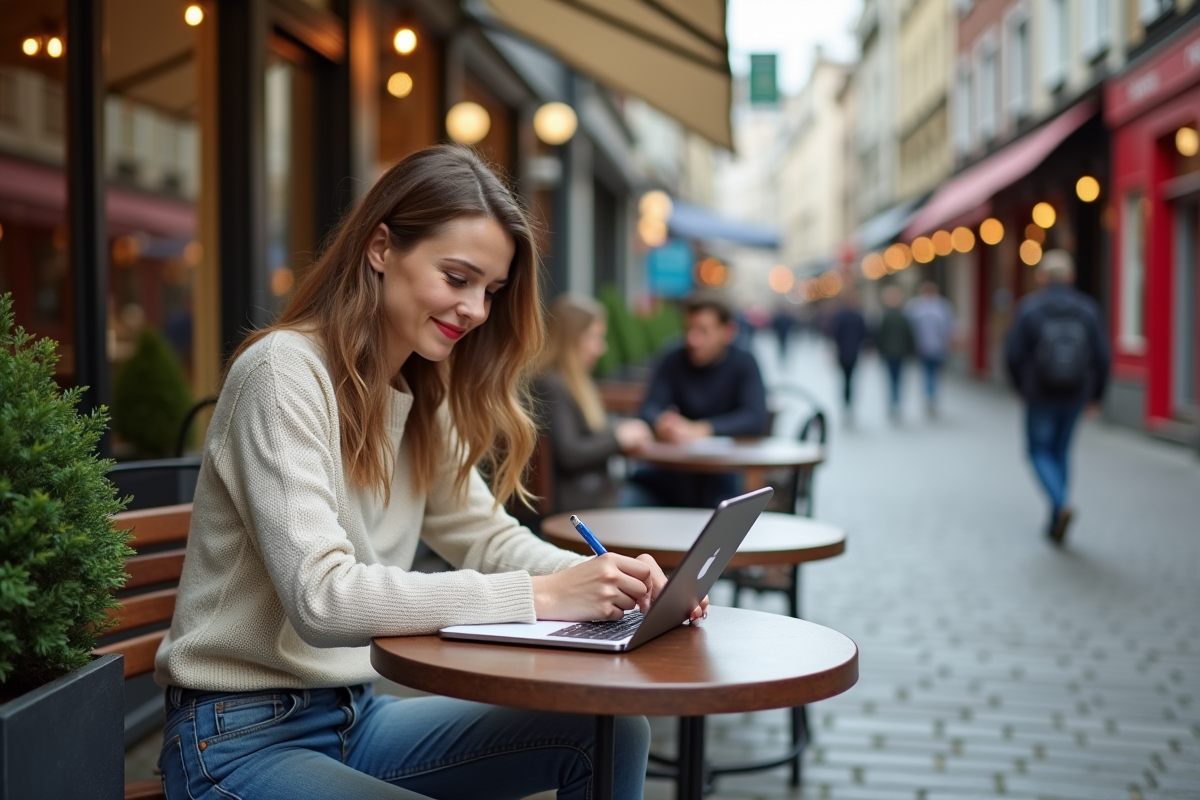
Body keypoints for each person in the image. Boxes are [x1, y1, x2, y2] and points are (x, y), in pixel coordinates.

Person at [153, 145, 700, 800]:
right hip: (236, 736)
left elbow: (488, 539)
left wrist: (611, 580)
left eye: (491, 291)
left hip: (356, 714)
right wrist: (543, 597)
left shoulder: (418, 393)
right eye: (457, 277)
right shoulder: (281, 373)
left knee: (611, 731)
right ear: (381, 247)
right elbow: (322, 598)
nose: (475, 309)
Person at [1004, 249, 1109, 545]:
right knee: (1061, 452)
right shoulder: (1087, 309)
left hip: (1039, 393)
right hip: (1075, 393)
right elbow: (1102, 357)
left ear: (1041, 277)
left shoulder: (1030, 309)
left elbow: (1012, 354)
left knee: (1038, 451)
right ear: (1071, 277)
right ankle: (1057, 512)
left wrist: (1019, 387)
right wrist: (1096, 395)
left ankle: (1060, 504)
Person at [628, 292, 768, 507]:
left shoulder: (744, 362)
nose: (693, 339)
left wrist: (702, 428)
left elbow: (755, 418)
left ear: (727, 331)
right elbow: (649, 407)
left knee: (724, 506)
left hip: (723, 471)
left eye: (703, 331)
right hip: (671, 472)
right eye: (688, 330)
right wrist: (662, 422)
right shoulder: (673, 357)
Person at [535, 294, 653, 512]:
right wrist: (619, 438)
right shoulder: (550, 384)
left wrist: (619, 429)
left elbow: (589, 428)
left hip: (594, 494)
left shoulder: (571, 380)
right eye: (594, 337)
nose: (601, 348)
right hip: (581, 506)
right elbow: (569, 453)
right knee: (659, 499)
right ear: (571, 339)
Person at [906, 281, 956, 416]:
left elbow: (949, 327)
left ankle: (931, 397)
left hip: (938, 347)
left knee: (934, 373)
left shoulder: (941, 306)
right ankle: (930, 397)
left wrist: (948, 343)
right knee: (928, 373)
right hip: (923, 347)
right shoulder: (916, 307)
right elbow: (910, 329)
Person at [874, 284, 914, 420]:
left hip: (893, 353)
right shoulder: (901, 315)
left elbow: (879, 336)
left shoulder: (888, 315)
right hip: (897, 353)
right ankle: (895, 402)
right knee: (896, 379)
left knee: (893, 379)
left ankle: (894, 403)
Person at [827, 292, 867, 420]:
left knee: (847, 380)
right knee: (848, 380)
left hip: (846, 353)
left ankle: (847, 403)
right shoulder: (856, 316)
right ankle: (847, 403)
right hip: (849, 353)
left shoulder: (842, 316)